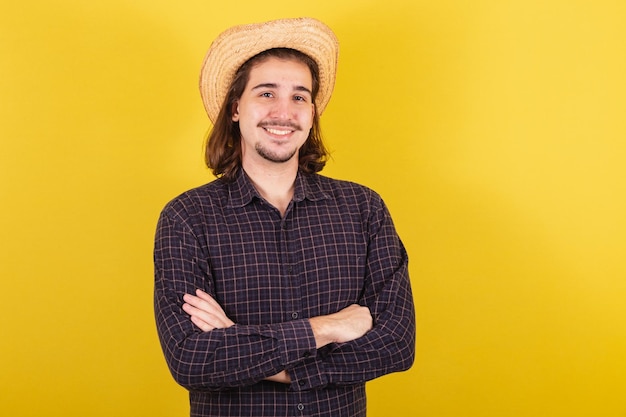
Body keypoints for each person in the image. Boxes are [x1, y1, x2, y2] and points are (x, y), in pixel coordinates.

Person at [154, 17, 415, 417]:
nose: (284, 112)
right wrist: (326, 328)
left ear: (311, 113)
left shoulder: (363, 208)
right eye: (266, 93)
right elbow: (191, 358)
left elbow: (396, 344)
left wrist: (238, 341)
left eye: (299, 97)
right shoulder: (187, 217)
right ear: (236, 107)